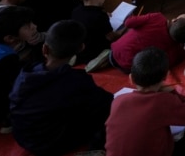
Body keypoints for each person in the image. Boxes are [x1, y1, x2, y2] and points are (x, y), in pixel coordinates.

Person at [9, 20, 113, 156]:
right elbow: (108, 101)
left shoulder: (26, 73)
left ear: (44, 48)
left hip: (21, 136)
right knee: (106, 109)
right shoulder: (77, 81)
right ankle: (96, 148)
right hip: (49, 144)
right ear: (81, 48)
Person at [105, 47, 185, 156]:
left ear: (131, 78)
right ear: (166, 76)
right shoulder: (165, 101)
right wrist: (173, 92)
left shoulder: (118, 100)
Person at [0, 6, 38, 133]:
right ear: (10, 38)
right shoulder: (7, 59)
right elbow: (13, 89)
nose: (34, 26)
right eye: (27, 26)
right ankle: (7, 119)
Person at [110, 12, 185, 73]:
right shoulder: (176, 51)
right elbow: (171, 62)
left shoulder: (157, 18)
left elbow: (128, 23)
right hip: (129, 69)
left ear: (174, 20)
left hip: (114, 53)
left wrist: (134, 17)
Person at [71, 0, 124, 65]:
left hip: (81, 51)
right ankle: (99, 61)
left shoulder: (76, 11)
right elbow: (111, 36)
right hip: (95, 53)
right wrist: (125, 27)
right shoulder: (100, 16)